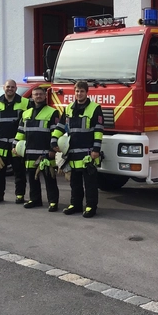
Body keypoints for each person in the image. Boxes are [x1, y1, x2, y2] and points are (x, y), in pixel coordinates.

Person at [51, 81, 104, 217]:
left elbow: (98, 130)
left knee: (90, 183)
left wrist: (96, 149)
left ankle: (91, 207)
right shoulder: (68, 108)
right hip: (73, 152)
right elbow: (60, 127)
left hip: (88, 152)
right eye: (77, 91)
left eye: (81, 91)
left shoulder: (95, 108)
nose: (79, 94)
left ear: (87, 93)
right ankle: (75, 204)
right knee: (75, 182)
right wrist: (53, 140)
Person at [13, 86, 61, 212]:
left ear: (45, 96)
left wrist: (52, 150)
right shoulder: (26, 113)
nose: (38, 96)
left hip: (45, 153)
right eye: (35, 94)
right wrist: (15, 145)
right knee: (32, 179)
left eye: (40, 94)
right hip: (29, 152)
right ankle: (35, 200)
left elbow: (55, 132)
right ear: (32, 97)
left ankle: (53, 202)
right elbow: (20, 132)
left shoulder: (52, 112)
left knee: (49, 179)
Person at [0, 79, 31, 204]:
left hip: (17, 145)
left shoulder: (25, 102)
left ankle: (20, 195)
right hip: (0, 145)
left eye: (12, 87)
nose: (10, 89)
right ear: (4, 88)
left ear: (16, 89)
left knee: (19, 172)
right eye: (7, 87)